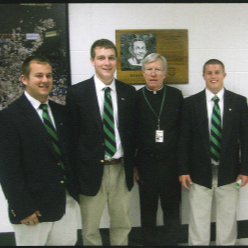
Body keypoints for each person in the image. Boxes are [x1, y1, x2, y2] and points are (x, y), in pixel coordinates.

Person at [0, 55, 79, 246]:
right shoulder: (9, 117)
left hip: (64, 205)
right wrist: (22, 207)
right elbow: (8, 169)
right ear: (24, 79)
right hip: (32, 210)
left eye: (49, 76)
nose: (45, 80)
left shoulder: (61, 113)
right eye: (39, 75)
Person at [66, 38, 136, 246]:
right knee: (90, 228)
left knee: (122, 224)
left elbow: (132, 134)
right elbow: (72, 138)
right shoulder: (77, 93)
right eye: (101, 58)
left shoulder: (128, 92)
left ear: (116, 61)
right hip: (89, 171)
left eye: (111, 58)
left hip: (121, 169)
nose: (107, 63)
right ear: (92, 61)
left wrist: (135, 166)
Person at [178, 59, 248, 246]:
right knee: (198, 218)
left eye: (217, 72)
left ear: (224, 75)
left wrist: (245, 170)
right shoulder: (191, 103)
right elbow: (183, 139)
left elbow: (246, 139)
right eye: (209, 73)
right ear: (203, 76)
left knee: (227, 218)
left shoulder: (239, 102)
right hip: (199, 172)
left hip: (230, 172)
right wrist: (183, 169)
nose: (213, 76)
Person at [134, 53, 183, 246]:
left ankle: (172, 243)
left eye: (157, 69)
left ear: (164, 73)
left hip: (171, 165)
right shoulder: (136, 97)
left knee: (172, 210)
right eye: (149, 69)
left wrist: (182, 167)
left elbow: (182, 132)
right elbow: (131, 135)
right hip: (146, 165)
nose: (153, 73)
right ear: (143, 73)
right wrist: (134, 166)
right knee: (147, 211)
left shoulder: (175, 95)